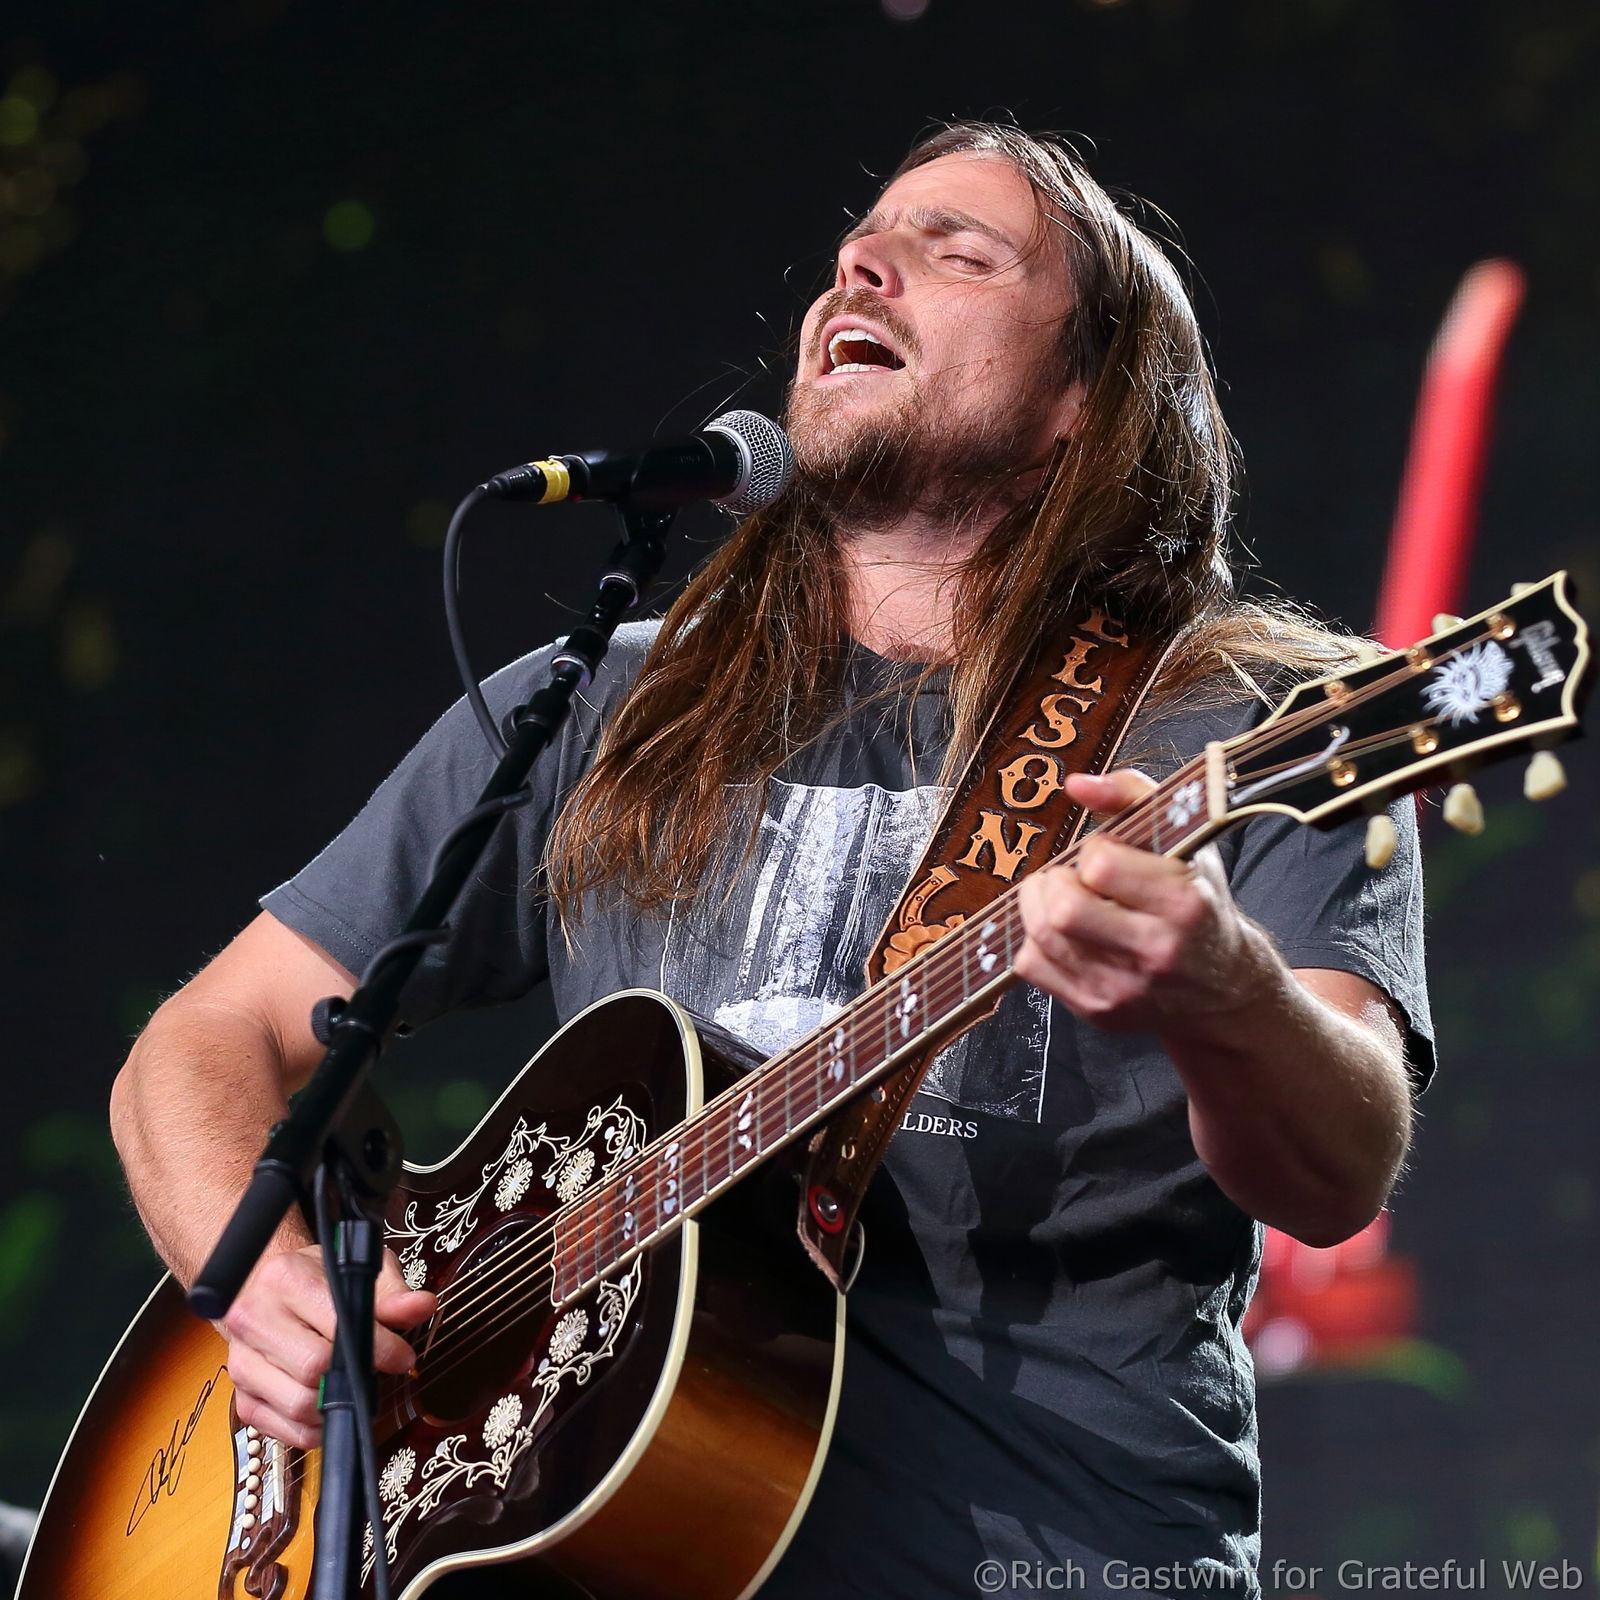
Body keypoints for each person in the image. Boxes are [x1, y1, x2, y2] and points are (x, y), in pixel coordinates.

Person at [110, 123, 1430, 1597]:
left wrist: (1227, 992)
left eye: (959, 251)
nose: (862, 264)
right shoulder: (608, 700)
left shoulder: (1243, 725)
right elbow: (208, 1035)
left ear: (1085, 401)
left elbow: (1337, 1175)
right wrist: (262, 1280)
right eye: (863, 242)